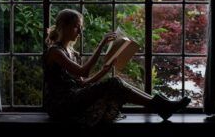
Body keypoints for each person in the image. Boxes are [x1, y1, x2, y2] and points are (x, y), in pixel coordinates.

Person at [43, 9, 191, 127]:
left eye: (81, 28)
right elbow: (84, 72)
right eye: (76, 27)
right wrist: (101, 45)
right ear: (63, 26)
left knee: (116, 80)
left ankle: (161, 106)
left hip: (73, 99)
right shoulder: (55, 52)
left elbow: (82, 82)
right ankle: (162, 106)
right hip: (61, 106)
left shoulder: (72, 53)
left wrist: (104, 71)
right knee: (114, 83)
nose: (80, 32)